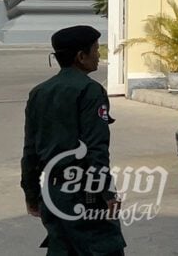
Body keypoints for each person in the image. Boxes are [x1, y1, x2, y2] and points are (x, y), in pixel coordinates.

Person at [21, 25, 126, 255]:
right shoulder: (90, 90)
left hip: (52, 192)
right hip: (85, 192)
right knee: (103, 248)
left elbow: (30, 151)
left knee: (62, 249)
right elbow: (96, 149)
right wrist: (107, 194)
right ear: (81, 56)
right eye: (96, 50)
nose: (99, 55)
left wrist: (31, 193)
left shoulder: (39, 92)